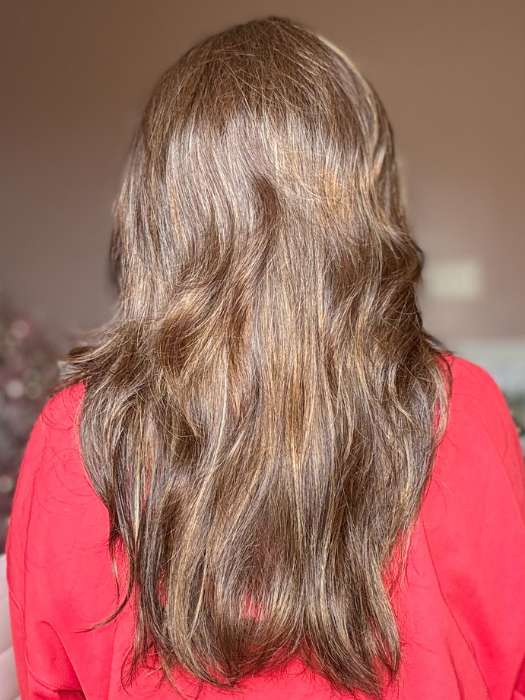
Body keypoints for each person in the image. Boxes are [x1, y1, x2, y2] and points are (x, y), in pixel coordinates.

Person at [6, 15, 525, 700]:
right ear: (366, 199)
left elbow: (51, 683)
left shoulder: (78, 436)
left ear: (157, 208)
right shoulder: (459, 410)